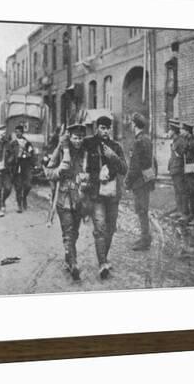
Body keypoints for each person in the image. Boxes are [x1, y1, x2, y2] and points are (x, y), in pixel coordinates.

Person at [44, 123, 91, 281]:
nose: (78, 141)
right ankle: (73, 263)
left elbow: (91, 173)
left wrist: (87, 179)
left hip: (79, 198)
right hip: (63, 198)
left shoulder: (85, 153)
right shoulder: (62, 150)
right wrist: (59, 171)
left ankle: (68, 255)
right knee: (69, 232)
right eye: (75, 138)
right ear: (70, 137)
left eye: (80, 138)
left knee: (75, 233)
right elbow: (48, 172)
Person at [85, 115, 127, 279]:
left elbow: (124, 169)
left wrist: (113, 157)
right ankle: (102, 263)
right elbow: (84, 168)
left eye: (107, 128)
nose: (105, 131)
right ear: (97, 128)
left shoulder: (115, 146)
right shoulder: (89, 144)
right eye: (102, 128)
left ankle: (104, 257)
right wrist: (96, 178)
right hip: (96, 194)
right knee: (100, 228)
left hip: (112, 194)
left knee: (110, 228)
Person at [125, 113, 155, 251]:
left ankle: (145, 240)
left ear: (135, 124)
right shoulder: (147, 139)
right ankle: (145, 237)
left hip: (139, 181)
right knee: (144, 208)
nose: (131, 125)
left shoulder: (138, 142)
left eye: (132, 123)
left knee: (141, 210)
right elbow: (151, 161)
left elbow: (134, 166)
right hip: (147, 179)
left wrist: (127, 182)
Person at [10, 124, 35, 213]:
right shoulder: (13, 144)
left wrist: (26, 154)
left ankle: (24, 197)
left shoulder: (27, 143)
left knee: (28, 185)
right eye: (16, 132)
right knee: (18, 187)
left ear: (22, 132)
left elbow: (32, 154)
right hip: (16, 167)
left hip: (26, 166)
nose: (18, 134)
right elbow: (9, 155)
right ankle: (19, 205)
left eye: (19, 132)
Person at [167, 119, 187, 220]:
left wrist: (176, 151)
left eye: (169, 130)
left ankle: (184, 213)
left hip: (179, 170)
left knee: (181, 191)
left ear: (174, 131)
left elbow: (183, 155)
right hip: (174, 170)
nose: (168, 132)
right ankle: (179, 211)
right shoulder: (175, 141)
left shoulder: (180, 141)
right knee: (177, 191)